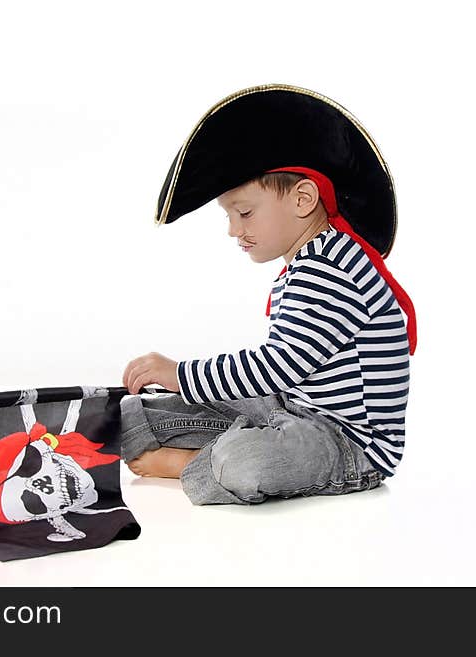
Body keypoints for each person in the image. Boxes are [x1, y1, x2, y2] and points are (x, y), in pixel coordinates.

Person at [118, 83, 417, 505]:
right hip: (290, 406)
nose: (234, 230)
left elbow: (277, 366)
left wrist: (180, 373)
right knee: (147, 412)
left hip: (349, 443)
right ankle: (136, 427)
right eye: (229, 215)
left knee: (244, 461)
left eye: (244, 213)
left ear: (303, 199)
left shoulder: (334, 270)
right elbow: (278, 382)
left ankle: (193, 464)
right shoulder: (306, 262)